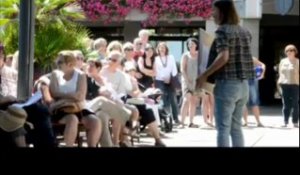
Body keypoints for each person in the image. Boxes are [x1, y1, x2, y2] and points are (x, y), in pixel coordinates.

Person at [197, 0, 255, 147]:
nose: (212, 13)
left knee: (223, 128)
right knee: (236, 128)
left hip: (227, 85)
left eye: (214, 10)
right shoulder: (245, 32)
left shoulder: (222, 30)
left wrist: (204, 74)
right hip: (243, 86)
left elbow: (224, 56)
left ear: (222, 12)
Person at [179, 38, 200, 128]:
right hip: (187, 81)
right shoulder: (185, 56)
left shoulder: (199, 55)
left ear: (196, 45)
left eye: (192, 44)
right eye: (189, 44)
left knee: (193, 101)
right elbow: (182, 69)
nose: (190, 45)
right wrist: (187, 80)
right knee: (186, 100)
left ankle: (191, 122)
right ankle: (182, 122)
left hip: (196, 81)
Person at [278, 44, 299, 128]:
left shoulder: (298, 61)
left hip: (295, 84)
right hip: (284, 84)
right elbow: (280, 72)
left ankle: (295, 121)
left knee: (295, 104)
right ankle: (285, 121)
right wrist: (279, 82)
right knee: (286, 104)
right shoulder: (283, 61)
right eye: (287, 51)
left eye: (291, 50)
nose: (289, 52)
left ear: (295, 52)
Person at [243, 57, 266, 127]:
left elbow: (263, 65)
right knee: (244, 103)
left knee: (253, 102)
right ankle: (246, 122)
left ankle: (257, 122)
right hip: (243, 81)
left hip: (249, 81)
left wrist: (262, 74)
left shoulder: (250, 57)